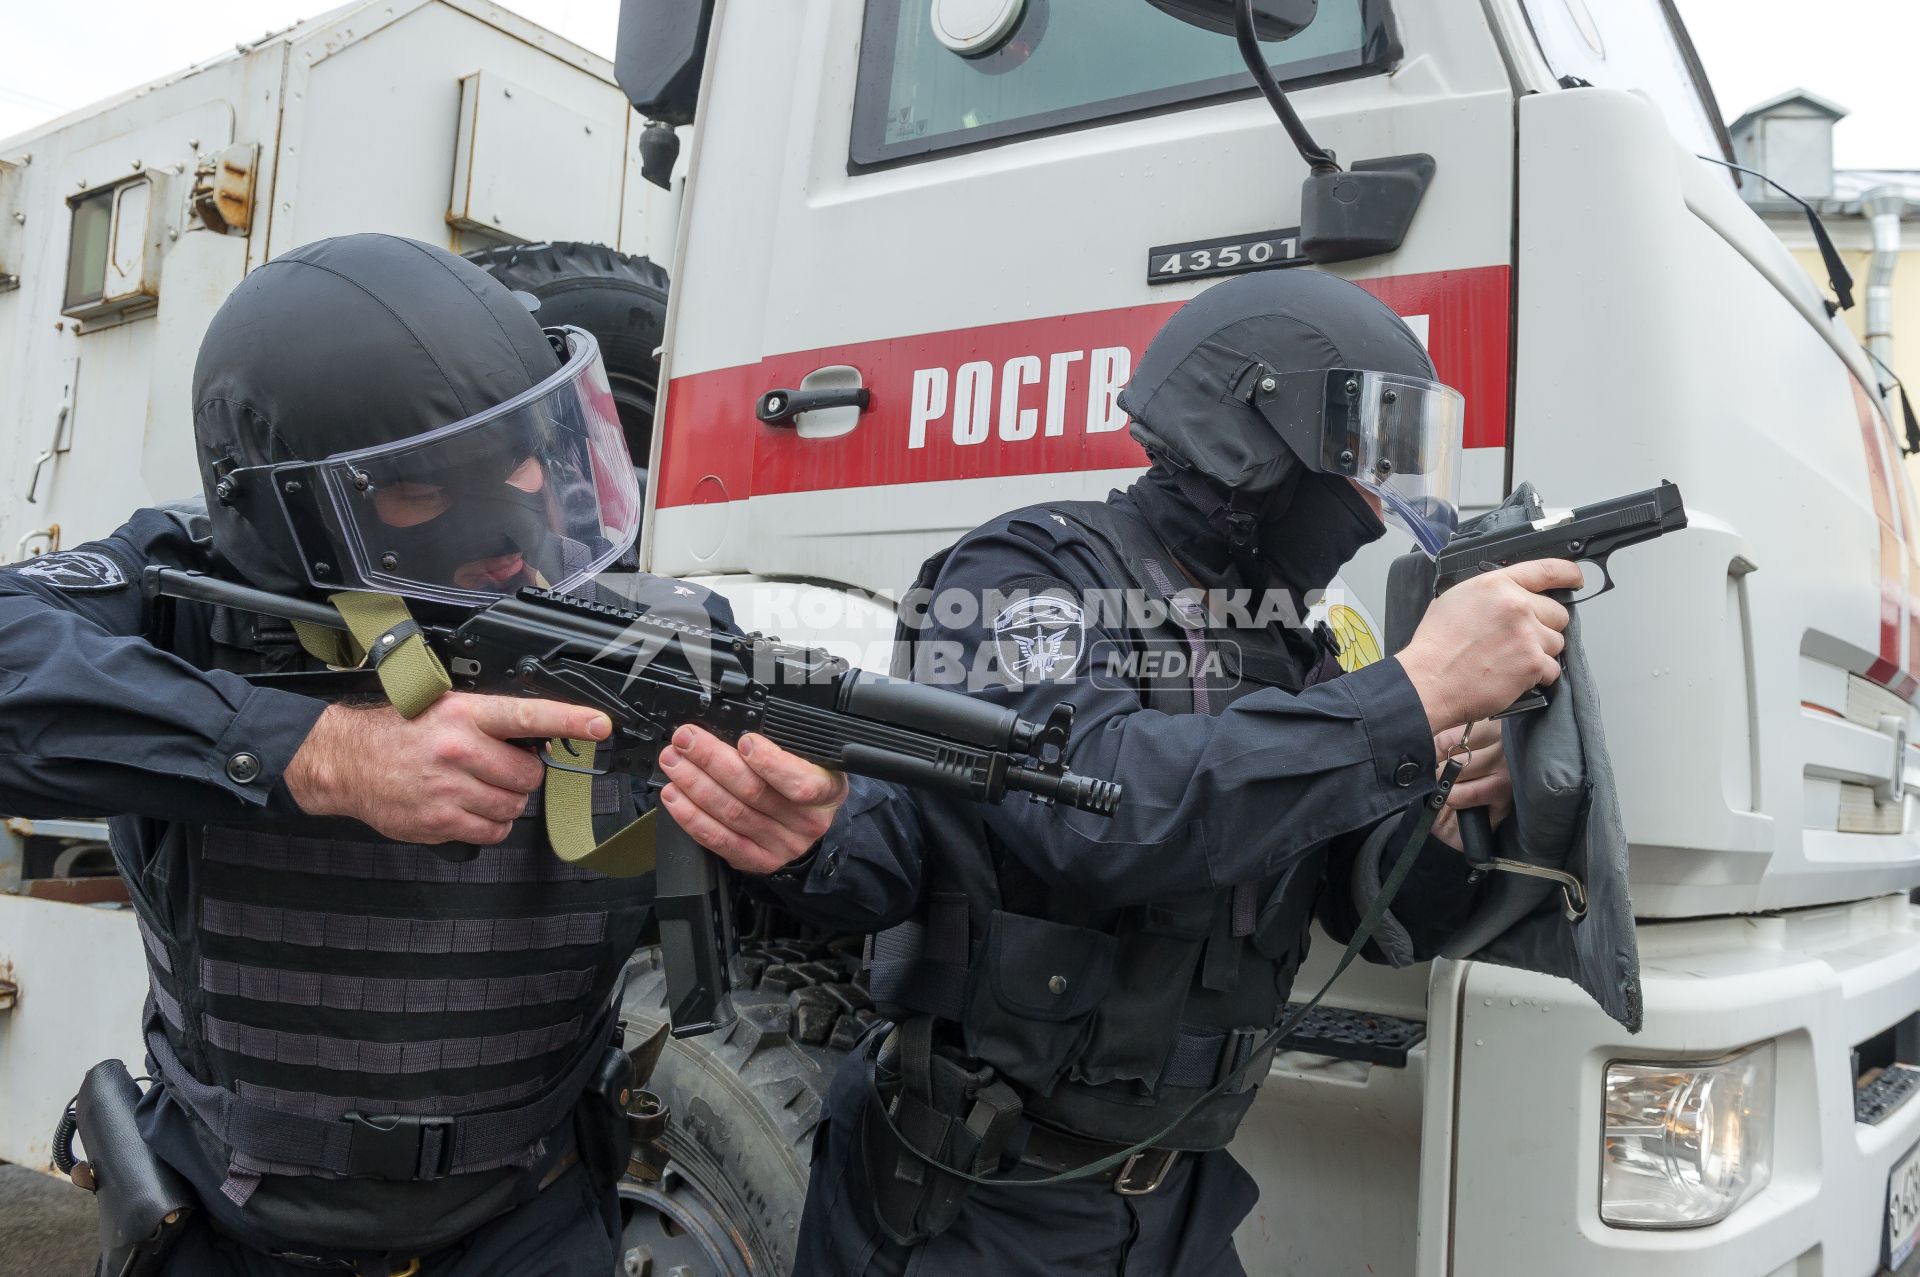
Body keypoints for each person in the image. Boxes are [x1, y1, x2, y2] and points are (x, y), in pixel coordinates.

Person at [695, 267, 1585, 1275]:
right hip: (973, 1201)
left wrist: (1447, 805)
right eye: (1361, 451)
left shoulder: (1295, 647)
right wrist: (1412, 695)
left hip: (1178, 1205)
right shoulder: (1028, 570)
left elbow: (1365, 914)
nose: (1376, 501)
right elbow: (1096, 805)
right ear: (1256, 430)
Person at [0, 234, 850, 1276]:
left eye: (522, 458)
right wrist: (317, 749)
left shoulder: (655, 628)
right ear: (287, 510)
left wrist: (817, 830)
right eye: (420, 492)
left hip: (530, 1221)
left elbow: (877, 828)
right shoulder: (182, 591)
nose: (509, 528)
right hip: (234, 1228)